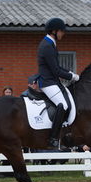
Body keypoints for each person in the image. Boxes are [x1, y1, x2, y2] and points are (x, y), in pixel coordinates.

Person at [37, 17, 80, 148]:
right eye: (61, 31)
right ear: (54, 31)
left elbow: (57, 67)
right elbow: (55, 70)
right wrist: (71, 77)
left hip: (53, 82)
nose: (63, 33)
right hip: (48, 83)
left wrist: (71, 73)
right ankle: (53, 138)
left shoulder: (50, 44)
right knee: (63, 105)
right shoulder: (47, 46)